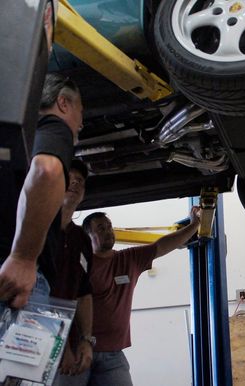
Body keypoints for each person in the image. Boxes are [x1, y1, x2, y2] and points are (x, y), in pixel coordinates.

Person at [80, 207, 201, 386]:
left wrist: (195, 224)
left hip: (113, 354)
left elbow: (162, 245)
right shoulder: (82, 265)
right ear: (87, 236)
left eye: (109, 227)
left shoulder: (129, 259)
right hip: (80, 350)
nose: (108, 232)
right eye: (101, 229)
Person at [0, 73, 83, 308]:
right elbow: (47, 170)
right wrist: (23, 258)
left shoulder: (14, 138)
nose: (81, 123)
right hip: (12, 280)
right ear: (63, 103)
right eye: (81, 112)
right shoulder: (52, 126)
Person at [52, 159, 95, 385]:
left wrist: (86, 339)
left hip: (69, 348)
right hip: (28, 339)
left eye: (80, 181)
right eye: (69, 178)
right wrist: (58, 344)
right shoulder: (35, 226)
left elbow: (84, 292)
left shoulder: (81, 239)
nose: (76, 183)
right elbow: (35, 291)